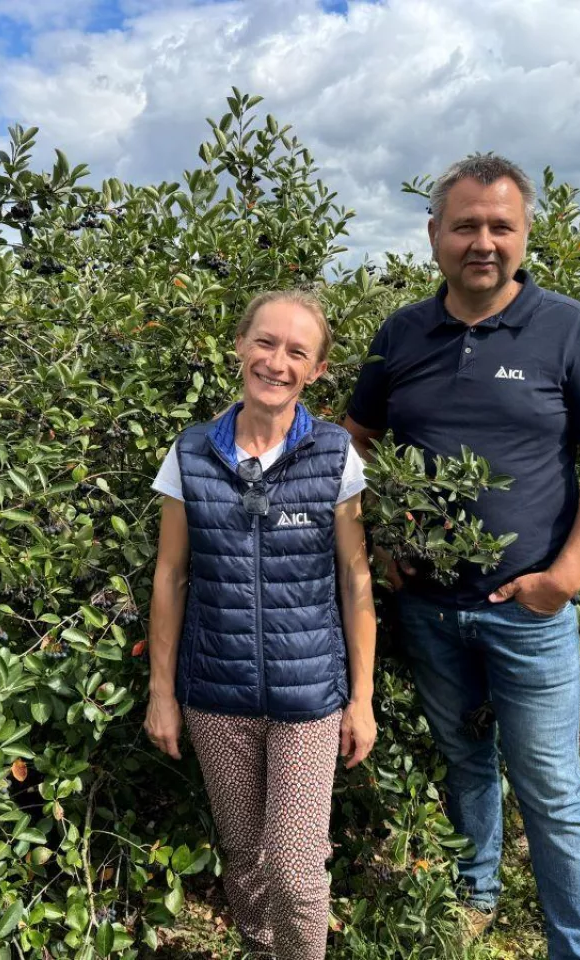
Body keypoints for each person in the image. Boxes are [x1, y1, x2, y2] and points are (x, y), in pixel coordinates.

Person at [344, 155, 580, 959]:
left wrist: (564, 578)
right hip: (429, 607)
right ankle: (476, 891)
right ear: (434, 234)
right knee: (462, 758)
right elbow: (355, 444)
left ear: (525, 233)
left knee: (550, 789)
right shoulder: (401, 332)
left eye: (500, 226)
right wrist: (385, 536)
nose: (483, 242)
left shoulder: (569, 329)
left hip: (529, 614)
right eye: (465, 225)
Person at [144, 289, 377, 960]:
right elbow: (170, 577)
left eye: (296, 351)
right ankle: (260, 948)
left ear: (317, 369)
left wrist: (360, 700)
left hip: (310, 702)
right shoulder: (189, 454)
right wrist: (162, 693)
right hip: (215, 697)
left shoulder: (336, 456)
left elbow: (356, 582)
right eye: (265, 343)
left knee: (296, 870)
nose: (277, 362)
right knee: (244, 859)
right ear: (240, 347)